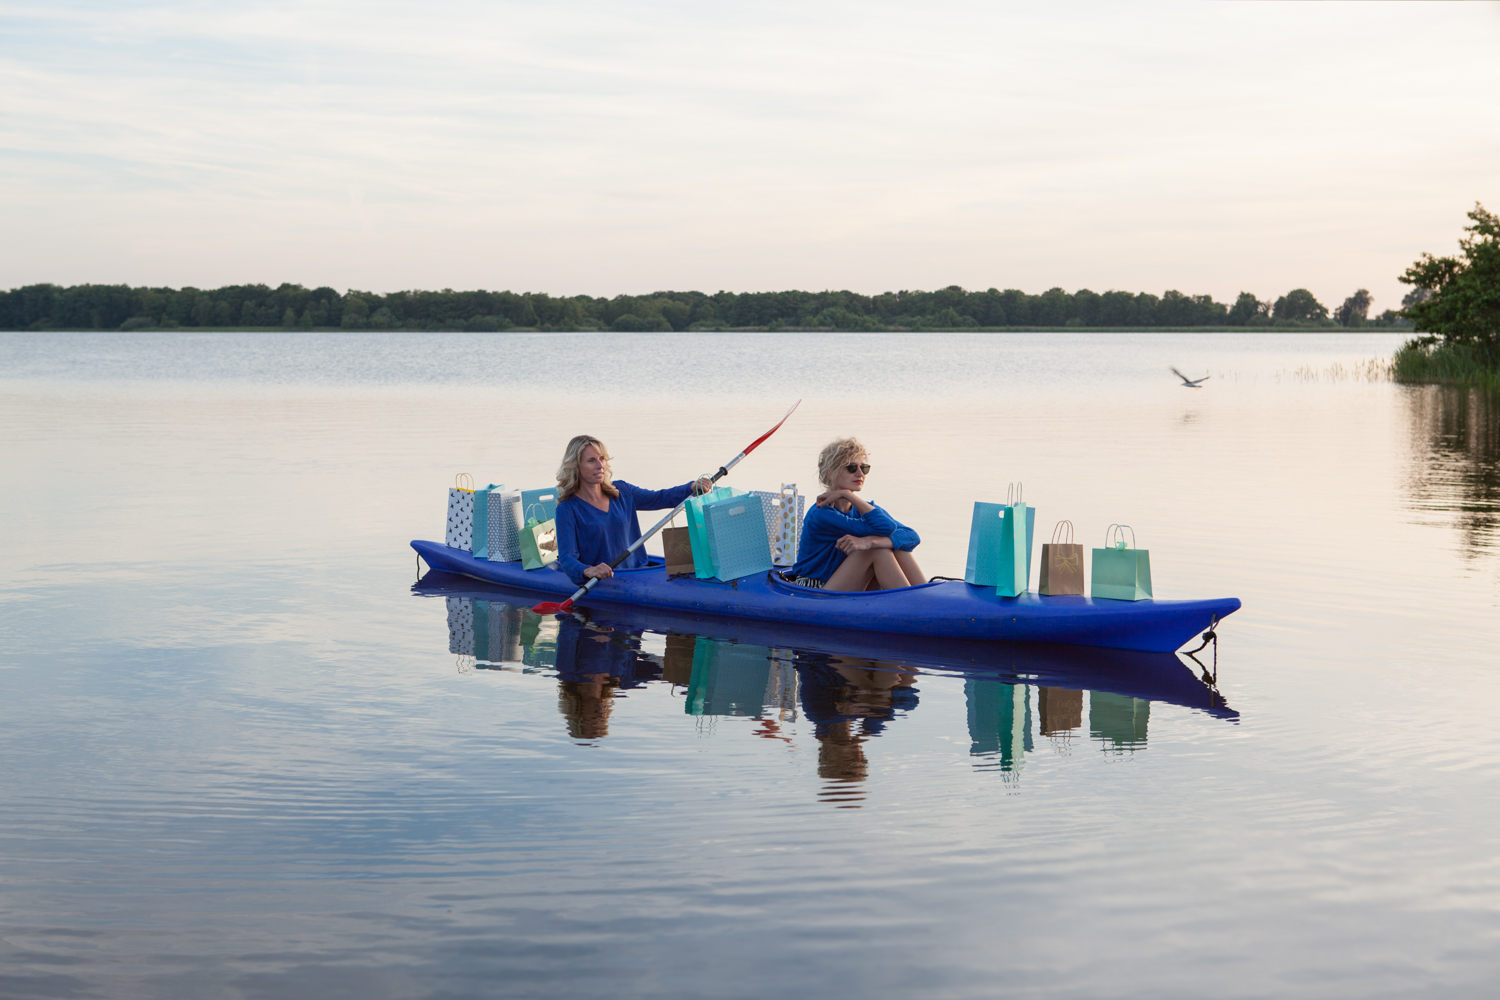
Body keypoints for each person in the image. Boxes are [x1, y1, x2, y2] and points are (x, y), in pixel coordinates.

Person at [553, 434, 712, 588]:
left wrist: (691, 487)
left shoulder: (622, 490)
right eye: (591, 460)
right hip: (605, 582)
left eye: (602, 459)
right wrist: (588, 570)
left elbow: (658, 498)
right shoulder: (567, 509)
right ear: (576, 466)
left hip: (639, 573)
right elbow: (567, 558)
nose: (600, 466)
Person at [786, 437, 926, 590]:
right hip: (815, 588)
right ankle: (910, 605)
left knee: (897, 547)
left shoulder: (865, 509)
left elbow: (912, 536)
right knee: (875, 552)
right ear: (830, 474)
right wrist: (849, 494)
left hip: (844, 581)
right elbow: (885, 528)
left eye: (864, 468)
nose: (860, 473)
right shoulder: (822, 514)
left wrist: (870, 541)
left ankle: (923, 595)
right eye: (851, 468)